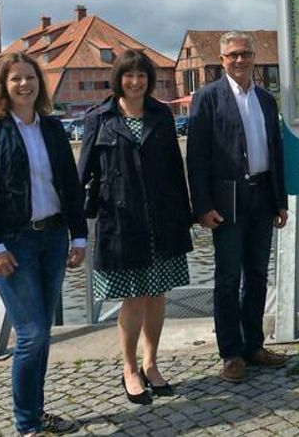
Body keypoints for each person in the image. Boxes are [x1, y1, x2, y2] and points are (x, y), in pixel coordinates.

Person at [0, 52, 86, 437]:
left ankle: (36, 412)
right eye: (15, 78)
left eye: (30, 77)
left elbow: (70, 185)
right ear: (3, 85)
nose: (24, 84)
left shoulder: (52, 127)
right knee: (32, 334)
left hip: (53, 238)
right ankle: (27, 424)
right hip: (13, 246)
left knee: (41, 333)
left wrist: (79, 235)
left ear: (39, 83)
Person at [78, 49, 193, 405]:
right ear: (119, 79)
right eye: (129, 75)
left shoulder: (161, 114)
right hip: (121, 220)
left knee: (157, 294)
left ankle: (151, 363)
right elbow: (84, 172)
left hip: (161, 218)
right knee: (134, 296)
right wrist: (74, 224)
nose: (135, 81)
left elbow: (174, 167)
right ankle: (129, 368)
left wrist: (185, 214)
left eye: (141, 75)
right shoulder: (100, 118)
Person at [186, 30, 289, 383]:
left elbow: (275, 152)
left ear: (254, 57)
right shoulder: (207, 98)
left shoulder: (266, 99)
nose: (240, 60)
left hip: (262, 196)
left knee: (258, 275)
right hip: (227, 199)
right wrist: (202, 206)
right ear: (222, 60)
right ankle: (231, 353)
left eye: (245, 53)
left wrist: (280, 201)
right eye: (233, 55)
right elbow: (196, 156)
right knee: (228, 278)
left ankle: (254, 345)